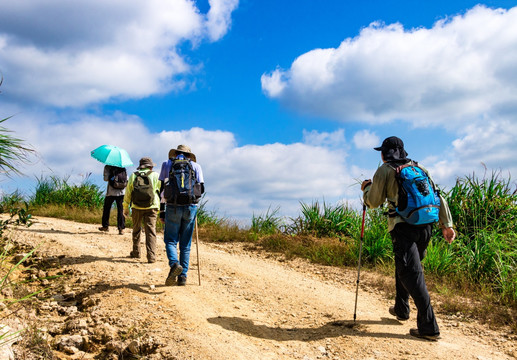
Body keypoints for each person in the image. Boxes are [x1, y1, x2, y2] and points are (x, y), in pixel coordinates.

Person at [361, 136, 455, 342]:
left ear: (384, 154)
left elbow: (374, 202)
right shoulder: (419, 168)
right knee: (406, 267)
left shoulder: (385, 170)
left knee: (411, 273)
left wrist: (366, 188)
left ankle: (429, 326)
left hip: (403, 227)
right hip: (426, 226)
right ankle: (401, 309)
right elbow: (437, 195)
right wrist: (447, 225)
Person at [159, 145, 204, 286]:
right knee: (185, 245)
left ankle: (174, 264)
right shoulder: (196, 166)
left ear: (176, 153)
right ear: (189, 155)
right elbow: (201, 189)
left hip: (172, 206)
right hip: (190, 207)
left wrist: (162, 210)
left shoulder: (167, 164)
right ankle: (183, 277)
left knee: (171, 240)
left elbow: (161, 189)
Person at [123, 157, 161, 263]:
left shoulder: (133, 175)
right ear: (150, 166)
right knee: (151, 232)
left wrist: (125, 207)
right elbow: (161, 191)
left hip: (136, 207)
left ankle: (136, 252)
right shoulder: (155, 175)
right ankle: (151, 256)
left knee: (136, 230)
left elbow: (128, 193)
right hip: (152, 206)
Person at [99, 165, 127, 235]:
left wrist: (111, 178)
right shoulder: (123, 167)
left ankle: (105, 226)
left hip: (111, 192)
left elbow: (105, 179)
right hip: (121, 191)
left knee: (106, 209)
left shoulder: (107, 167)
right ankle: (121, 229)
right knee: (121, 210)